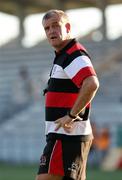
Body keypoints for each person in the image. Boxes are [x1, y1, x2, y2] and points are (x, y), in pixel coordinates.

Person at [36, 9, 99, 180]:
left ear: (68, 27)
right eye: (47, 28)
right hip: (67, 138)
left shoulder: (73, 54)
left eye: (56, 25)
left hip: (65, 138)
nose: (51, 31)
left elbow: (91, 83)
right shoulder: (63, 55)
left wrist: (71, 115)